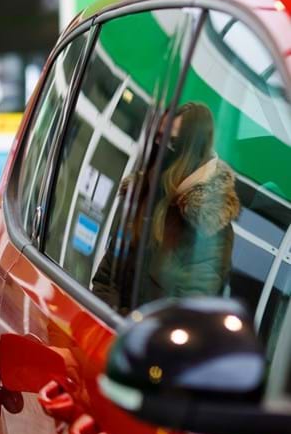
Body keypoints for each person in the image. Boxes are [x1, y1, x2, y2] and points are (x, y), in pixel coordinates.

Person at [92, 102, 241, 312]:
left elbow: (180, 317)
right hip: (104, 331)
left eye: (171, 142)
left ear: (192, 152)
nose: (160, 148)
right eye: (158, 137)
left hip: (146, 342)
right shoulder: (145, 195)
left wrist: (123, 326)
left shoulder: (211, 231)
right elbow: (106, 279)